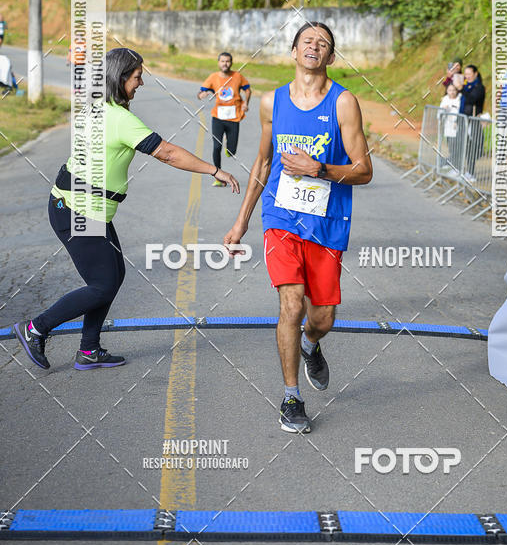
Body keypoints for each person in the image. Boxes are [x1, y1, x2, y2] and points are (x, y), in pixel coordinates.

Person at [13, 48, 239, 372]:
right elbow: (168, 153)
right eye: (136, 76)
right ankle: (36, 328)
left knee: (112, 276)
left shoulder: (98, 108)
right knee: (103, 283)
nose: (141, 82)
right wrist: (214, 170)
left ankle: (89, 350)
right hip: (78, 208)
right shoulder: (119, 118)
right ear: (119, 79)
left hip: (86, 207)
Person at [224, 22, 372, 433]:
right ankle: (291, 398)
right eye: (307, 40)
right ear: (293, 52)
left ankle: (311, 345)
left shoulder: (344, 103)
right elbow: (264, 163)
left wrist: (319, 169)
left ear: (330, 57)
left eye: (323, 43)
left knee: (322, 318)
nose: (314, 46)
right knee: (291, 306)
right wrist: (241, 221)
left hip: (326, 224)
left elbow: (364, 171)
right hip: (281, 218)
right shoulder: (271, 103)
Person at [197, 52, 251, 187]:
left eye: (227, 61)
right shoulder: (213, 77)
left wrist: (245, 103)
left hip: (234, 118)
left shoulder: (237, 76)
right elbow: (200, 93)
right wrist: (202, 94)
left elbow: (248, 89)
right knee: (216, 146)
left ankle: (230, 147)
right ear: (218, 63)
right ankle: (219, 177)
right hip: (218, 117)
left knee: (232, 151)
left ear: (231, 63)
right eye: (222, 61)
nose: (225, 64)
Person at [459, 64, 485, 182]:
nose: (467, 76)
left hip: (474, 121)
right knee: (465, 146)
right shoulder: (466, 86)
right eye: (466, 74)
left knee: (474, 148)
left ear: (475, 73)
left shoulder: (479, 87)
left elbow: (472, 99)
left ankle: (471, 172)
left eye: (469, 74)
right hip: (464, 120)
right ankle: (466, 170)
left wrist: (461, 89)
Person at [440, 83, 462, 174]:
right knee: (451, 147)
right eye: (450, 90)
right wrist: (443, 109)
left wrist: (458, 121)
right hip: (448, 127)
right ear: (447, 91)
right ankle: (450, 164)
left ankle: (456, 167)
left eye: (454, 90)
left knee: (457, 147)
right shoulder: (445, 99)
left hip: (457, 127)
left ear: (456, 91)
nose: (452, 92)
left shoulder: (460, 99)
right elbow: (439, 113)